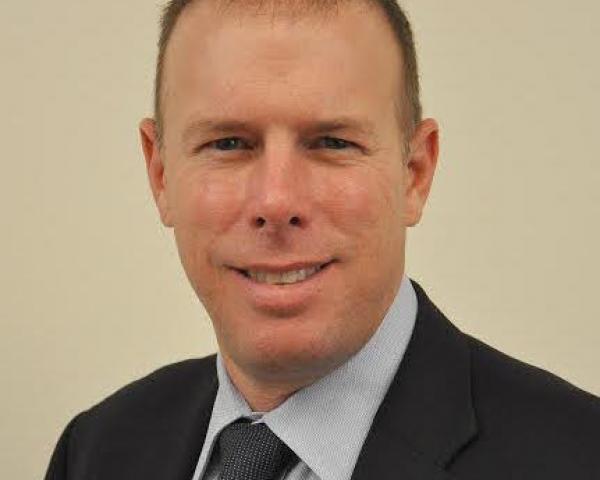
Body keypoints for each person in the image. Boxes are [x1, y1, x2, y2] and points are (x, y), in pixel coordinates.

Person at [44, 0, 600, 479]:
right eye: (229, 143)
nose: (276, 201)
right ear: (161, 174)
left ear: (415, 173)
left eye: (332, 142)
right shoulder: (96, 451)